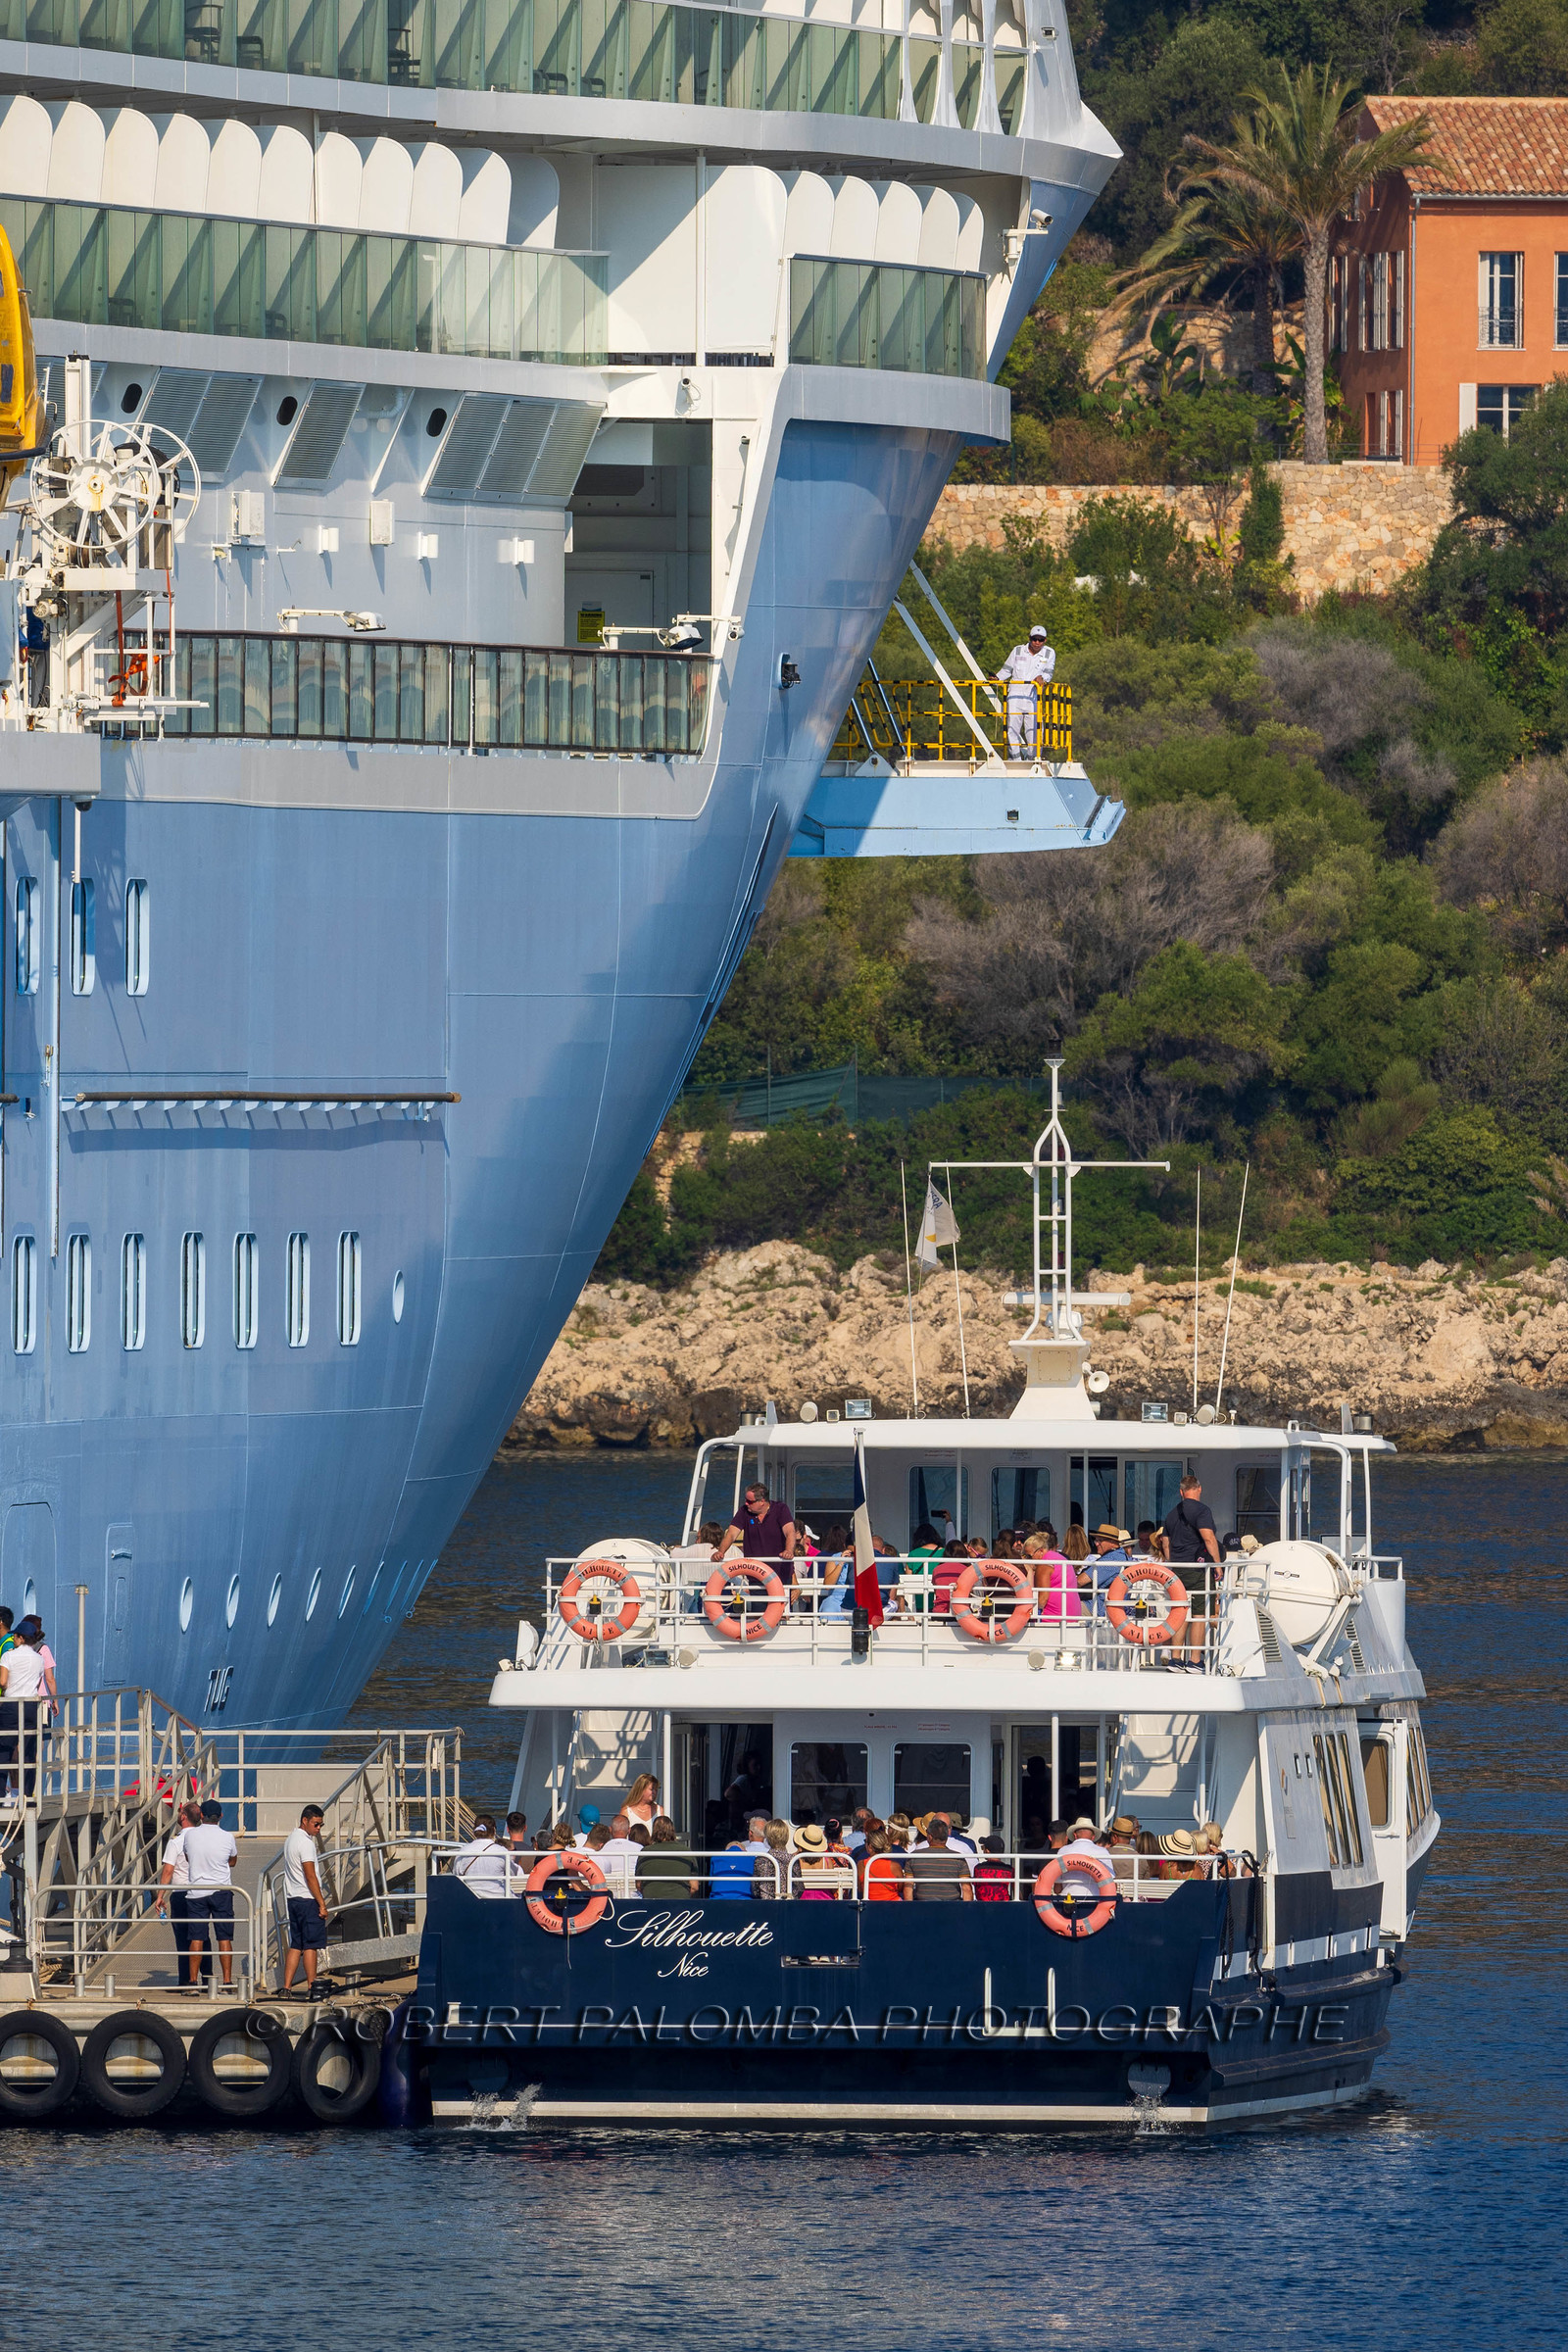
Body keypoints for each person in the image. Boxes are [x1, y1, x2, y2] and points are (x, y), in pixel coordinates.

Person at [183, 1797, 239, 1991]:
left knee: (196, 1938)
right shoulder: (228, 1837)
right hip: (222, 1891)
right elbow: (232, 1861)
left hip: (197, 1892)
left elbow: (189, 1858)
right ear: (221, 1816)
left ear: (201, 1815)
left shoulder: (190, 1836)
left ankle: (192, 1983)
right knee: (224, 1937)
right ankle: (227, 1981)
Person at [153, 1800, 208, 1988]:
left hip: (181, 1894)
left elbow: (168, 1871)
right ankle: (208, 1979)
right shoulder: (203, 1838)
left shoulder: (176, 1841)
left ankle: (186, 1981)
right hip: (201, 1892)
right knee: (202, 1937)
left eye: (180, 1812)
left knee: (183, 1939)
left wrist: (160, 1896)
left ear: (183, 1816)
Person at [278, 1803, 329, 1992]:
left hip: (293, 1898)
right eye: (316, 1824)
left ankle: (286, 1987)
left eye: (321, 1825)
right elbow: (310, 1876)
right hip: (307, 1899)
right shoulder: (306, 1843)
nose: (318, 1829)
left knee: (295, 1945)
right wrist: (322, 1904)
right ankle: (312, 1986)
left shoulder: (291, 1839)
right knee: (310, 1946)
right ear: (305, 1820)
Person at [0, 1620, 50, 1802]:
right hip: (31, 1707)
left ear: (21, 1638)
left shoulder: (9, 1656)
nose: (13, 1638)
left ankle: (1, 1795)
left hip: (11, 1705)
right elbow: (37, 1684)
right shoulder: (39, 1659)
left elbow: (3, 1682)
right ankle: (27, 1795)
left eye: (15, 1636)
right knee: (29, 1751)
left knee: (4, 1750)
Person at [993, 623, 1054, 761]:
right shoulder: (1018, 650)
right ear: (1029, 638)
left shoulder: (1049, 653)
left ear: (1045, 640)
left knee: (1035, 732)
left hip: (1033, 697)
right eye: (1034, 639)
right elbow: (1006, 670)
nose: (1037, 642)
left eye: (1041, 639)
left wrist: (1042, 678)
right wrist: (996, 678)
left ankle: (1032, 761)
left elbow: (1049, 672)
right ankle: (1015, 760)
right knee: (1012, 729)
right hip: (1015, 696)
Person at [903, 1814, 973, 1901]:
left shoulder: (913, 1857)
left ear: (929, 1836)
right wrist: (966, 1911)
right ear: (947, 1836)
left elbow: (908, 1886)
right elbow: (966, 1888)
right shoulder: (958, 1858)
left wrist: (910, 1910)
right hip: (952, 1907)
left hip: (922, 1906)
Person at [637, 1815, 701, 1900]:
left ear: (654, 1831)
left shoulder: (645, 1852)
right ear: (672, 1830)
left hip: (651, 1902)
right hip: (680, 1903)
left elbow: (638, 1885)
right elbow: (694, 1887)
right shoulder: (686, 1851)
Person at [455, 1812, 511, 1899]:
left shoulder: (463, 1850)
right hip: (498, 1898)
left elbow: (457, 1874)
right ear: (494, 1830)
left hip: (470, 1899)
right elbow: (514, 1873)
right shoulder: (501, 1851)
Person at [795, 1822, 854, 1899]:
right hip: (825, 1899)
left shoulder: (796, 1860)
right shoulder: (827, 1860)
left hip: (803, 1899)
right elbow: (833, 1888)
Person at [597, 1811, 644, 1897]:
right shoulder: (640, 1849)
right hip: (634, 1896)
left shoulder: (600, 1851)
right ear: (629, 1830)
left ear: (610, 1829)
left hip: (609, 1897)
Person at [861, 1830, 906, 1902]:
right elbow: (900, 1888)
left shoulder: (862, 1865)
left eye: (865, 1842)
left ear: (870, 1847)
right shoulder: (894, 1866)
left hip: (870, 1904)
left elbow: (861, 1888)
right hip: (893, 1904)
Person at [753, 1817, 791, 1900]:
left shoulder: (761, 1860)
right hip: (789, 1904)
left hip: (766, 1905)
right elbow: (799, 1888)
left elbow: (755, 1889)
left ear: (768, 1837)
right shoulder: (793, 1860)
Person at [972, 1835, 1012, 1902]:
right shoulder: (1009, 1870)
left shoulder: (978, 1869)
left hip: (982, 1907)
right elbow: (1017, 1891)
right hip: (1004, 1906)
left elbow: (977, 1889)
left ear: (987, 1851)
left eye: (983, 1848)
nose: (983, 1850)